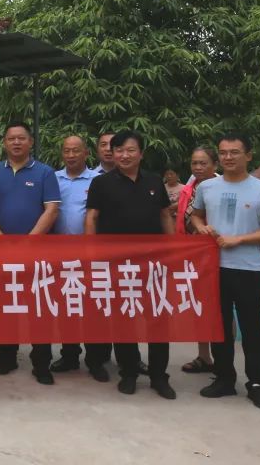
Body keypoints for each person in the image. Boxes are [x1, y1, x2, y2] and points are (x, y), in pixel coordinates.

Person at [191, 133, 260, 411]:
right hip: (214, 269)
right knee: (219, 329)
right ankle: (224, 379)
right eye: (223, 153)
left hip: (248, 270)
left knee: (251, 330)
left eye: (234, 152)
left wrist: (239, 239)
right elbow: (195, 215)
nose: (228, 157)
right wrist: (201, 227)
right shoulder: (207, 187)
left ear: (248, 155)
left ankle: (256, 384)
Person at [85, 130, 176, 399]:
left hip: (153, 264)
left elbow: (165, 215)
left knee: (157, 320)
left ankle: (159, 376)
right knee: (124, 319)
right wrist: (90, 254)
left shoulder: (154, 181)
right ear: (112, 154)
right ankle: (129, 373)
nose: (124, 155)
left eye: (130, 150)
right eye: (119, 150)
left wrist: (174, 250)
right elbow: (92, 217)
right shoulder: (101, 183)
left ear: (141, 153)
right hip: (117, 265)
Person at [0, 122, 60, 384]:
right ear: (4, 143)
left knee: (40, 307)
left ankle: (41, 363)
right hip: (3, 252)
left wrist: (28, 243)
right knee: (7, 305)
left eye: (21, 138)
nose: (16, 142)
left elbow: (51, 210)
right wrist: (0, 239)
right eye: (11, 138)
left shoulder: (45, 172)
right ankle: (7, 357)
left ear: (31, 142)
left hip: (37, 253)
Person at [48, 135, 110, 382]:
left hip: (91, 255)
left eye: (76, 151)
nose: (71, 155)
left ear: (86, 153)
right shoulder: (53, 178)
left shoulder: (98, 180)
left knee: (93, 309)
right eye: (67, 151)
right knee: (67, 307)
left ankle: (95, 360)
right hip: (60, 254)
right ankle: (69, 355)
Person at [176, 146, 219, 375]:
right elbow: (183, 220)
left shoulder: (222, 187)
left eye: (204, 163)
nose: (198, 167)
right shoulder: (188, 188)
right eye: (195, 163)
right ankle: (204, 356)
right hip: (192, 256)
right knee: (199, 306)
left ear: (215, 165)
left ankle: (224, 358)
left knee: (220, 308)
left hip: (219, 255)